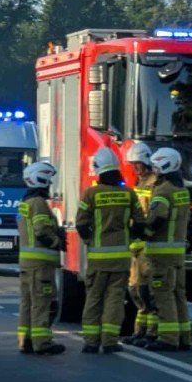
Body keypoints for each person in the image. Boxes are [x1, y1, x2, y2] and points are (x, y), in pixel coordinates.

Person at [74, 147, 140, 354]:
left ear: (98, 169)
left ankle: (91, 342)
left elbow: (81, 224)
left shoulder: (91, 194)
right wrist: (128, 238)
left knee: (94, 299)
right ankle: (110, 341)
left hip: (97, 257)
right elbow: (139, 223)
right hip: (121, 258)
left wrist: (89, 241)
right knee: (115, 300)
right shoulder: (128, 193)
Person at [143, 147, 192, 352]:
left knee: (163, 295)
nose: (153, 171)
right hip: (178, 253)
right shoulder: (183, 191)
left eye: (155, 167)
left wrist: (141, 230)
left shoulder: (163, 191)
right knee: (178, 294)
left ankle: (168, 338)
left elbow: (157, 219)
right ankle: (183, 337)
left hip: (161, 254)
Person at [17, 161, 66, 356]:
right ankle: (42, 342)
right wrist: (58, 241)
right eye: (48, 181)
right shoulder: (38, 204)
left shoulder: (24, 203)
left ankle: (25, 340)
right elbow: (41, 230)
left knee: (27, 303)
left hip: (27, 263)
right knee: (42, 302)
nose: (49, 185)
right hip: (41, 264)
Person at [121, 142, 159, 346]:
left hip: (148, 246)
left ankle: (151, 332)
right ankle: (139, 331)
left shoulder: (154, 184)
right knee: (134, 289)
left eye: (137, 164)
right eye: (133, 164)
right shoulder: (140, 183)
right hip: (136, 246)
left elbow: (152, 215)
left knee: (147, 290)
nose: (135, 167)